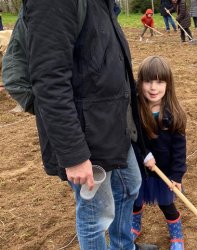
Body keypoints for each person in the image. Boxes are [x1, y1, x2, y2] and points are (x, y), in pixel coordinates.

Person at [24, 0, 158, 249]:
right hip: (87, 133)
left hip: (114, 123)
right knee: (95, 215)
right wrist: (73, 154)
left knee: (130, 186)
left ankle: (123, 246)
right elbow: (49, 82)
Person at [131, 56, 187, 250]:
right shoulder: (135, 110)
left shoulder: (173, 113)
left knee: (166, 205)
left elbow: (180, 150)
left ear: (168, 84)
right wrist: (143, 156)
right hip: (140, 170)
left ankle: (176, 236)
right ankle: (134, 225)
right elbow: (132, 139)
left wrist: (177, 175)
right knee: (135, 201)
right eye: (148, 81)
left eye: (159, 81)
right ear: (140, 82)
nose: (153, 88)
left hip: (164, 172)